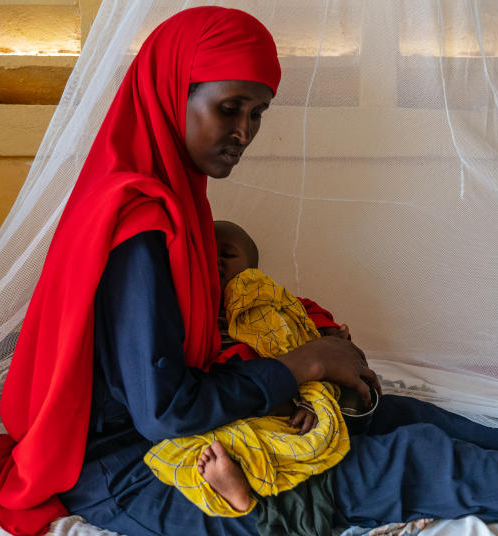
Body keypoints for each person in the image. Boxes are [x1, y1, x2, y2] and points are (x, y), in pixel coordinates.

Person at [0, 6, 498, 536]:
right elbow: (167, 414)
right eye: (228, 110)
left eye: (258, 114)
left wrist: (316, 366)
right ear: (171, 93)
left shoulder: (167, 201)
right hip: (146, 470)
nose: (243, 134)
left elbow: (197, 348)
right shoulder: (139, 228)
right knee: (410, 459)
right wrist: (304, 363)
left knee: (387, 413)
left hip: (190, 433)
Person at [145, 219, 351, 517]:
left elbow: (309, 326)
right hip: (229, 402)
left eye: (227, 255)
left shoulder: (275, 300)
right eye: (206, 254)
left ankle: (240, 482)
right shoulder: (192, 313)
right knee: (173, 452)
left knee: (303, 427)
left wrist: (332, 334)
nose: (215, 261)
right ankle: (230, 488)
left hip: (283, 396)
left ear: (252, 268)